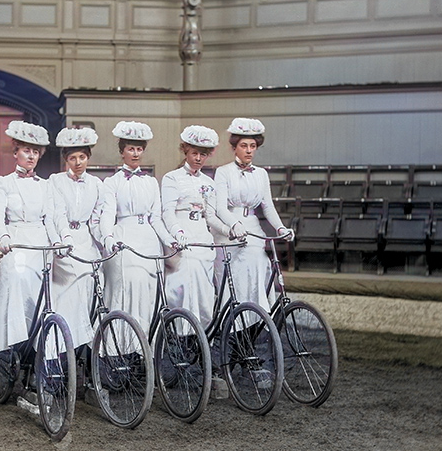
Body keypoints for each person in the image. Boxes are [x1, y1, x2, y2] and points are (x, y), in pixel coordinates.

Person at [99, 121, 176, 334]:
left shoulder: (151, 182)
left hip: (149, 240)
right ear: (122, 151)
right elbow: (107, 214)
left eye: (139, 149)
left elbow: (156, 218)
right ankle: (124, 346)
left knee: (150, 290)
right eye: (130, 149)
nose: (135, 153)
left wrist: (169, 240)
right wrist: (108, 238)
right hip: (124, 237)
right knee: (129, 285)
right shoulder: (112, 182)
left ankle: (146, 346)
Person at [214, 117, 295, 310]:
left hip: (253, 228)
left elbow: (267, 206)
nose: (249, 150)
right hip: (231, 230)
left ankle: (255, 321)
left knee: (260, 268)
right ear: (235, 147)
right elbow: (220, 208)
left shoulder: (261, 174)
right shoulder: (223, 172)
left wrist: (280, 227)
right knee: (235, 278)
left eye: (252, 145)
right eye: (244, 145)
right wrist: (234, 224)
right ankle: (233, 325)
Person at [0, 120, 52, 353]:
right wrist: (2, 236)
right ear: (15, 153)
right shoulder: (3, 183)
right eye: (26, 150)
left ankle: (42, 352)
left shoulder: (45, 186)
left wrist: (58, 240)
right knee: (17, 279)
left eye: (36, 152)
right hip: (14, 242)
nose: (31, 156)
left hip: (40, 242)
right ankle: (15, 344)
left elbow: (51, 218)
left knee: (47, 290)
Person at [161, 125, 229, 330]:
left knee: (205, 292)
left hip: (202, 238)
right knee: (184, 283)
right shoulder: (172, 178)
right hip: (181, 236)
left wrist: (229, 230)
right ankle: (181, 331)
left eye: (203, 155)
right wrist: (178, 232)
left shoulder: (208, 182)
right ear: (186, 152)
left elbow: (211, 216)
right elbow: (167, 212)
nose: (198, 158)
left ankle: (202, 334)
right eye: (194, 153)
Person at [46, 127, 104, 354]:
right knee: (74, 283)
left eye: (82, 157)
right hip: (63, 242)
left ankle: (87, 350)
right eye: (72, 158)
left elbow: (98, 220)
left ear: (88, 157)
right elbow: (56, 214)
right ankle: (62, 346)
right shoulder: (56, 181)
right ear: (65, 160)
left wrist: (105, 240)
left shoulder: (97, 184)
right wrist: (64, 240)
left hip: (86, 240)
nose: (78, 162)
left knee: (97, 278)